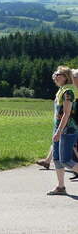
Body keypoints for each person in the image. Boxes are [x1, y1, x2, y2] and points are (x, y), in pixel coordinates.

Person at [47, 66, 78, 195]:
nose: (55, 76)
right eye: (55, 73)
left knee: (66, 160)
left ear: (65, 77)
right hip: (59, 129)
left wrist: (59, 132)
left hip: (67, 130)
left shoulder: (68, 92)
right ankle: (61, 187)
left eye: (58, 74)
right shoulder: (62, 90)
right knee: (57, 159)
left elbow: (66, 114)